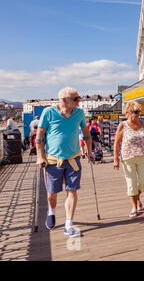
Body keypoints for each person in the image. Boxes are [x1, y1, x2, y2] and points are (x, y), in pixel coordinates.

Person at [36, 87, 93, 238]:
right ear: (64, 100)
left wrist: (90, 151)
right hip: (53, 159)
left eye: (78, 98)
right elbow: (39, 135)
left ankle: (69, 224)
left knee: (72, 190)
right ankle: (51, 211)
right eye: (76, 99)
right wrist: (40, 156)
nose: (79, 101)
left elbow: (86, 133)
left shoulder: (79, 113)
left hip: (73, 158)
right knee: (52, 194)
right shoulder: (49, 113)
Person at [113, 101, 144, 217]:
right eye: (135, 112)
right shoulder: (123, 125)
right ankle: (134, 207)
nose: (138, 114)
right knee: (131, 183)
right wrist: (116, 159)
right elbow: (116, 142)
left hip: (143, 155)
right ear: (128, 113)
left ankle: (137, 197)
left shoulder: (143, 123)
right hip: (128, 157)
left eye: (139, 112)